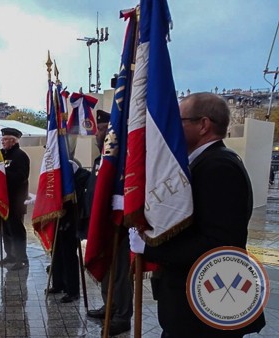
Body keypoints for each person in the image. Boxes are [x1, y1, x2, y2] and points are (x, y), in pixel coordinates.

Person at [129, 92, 266, 337]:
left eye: (179, 121)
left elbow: (217, 245)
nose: (173, 128)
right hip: (192, 306)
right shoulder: (204, 163)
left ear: (203, 125)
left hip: (204, 309)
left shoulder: (219, 167)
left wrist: (150, 249)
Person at [85, 110, 133, 336]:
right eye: (99, 129)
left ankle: (122, 316)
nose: (100, 133)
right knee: (106, 269)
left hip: (119, 227)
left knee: (121, 273)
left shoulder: (122, 161)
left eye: (105, 129)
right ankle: (109, 305)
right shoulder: (99, 160)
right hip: (102, 224)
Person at [48, 160, 91, 303]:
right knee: (56, 252)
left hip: (71, 217)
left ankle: (72, 291)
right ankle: (58, 283)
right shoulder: (53, 166)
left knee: (69, 255)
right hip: (56, 215)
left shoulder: (71, 165)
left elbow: (86, 182)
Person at [0, 128, 30, 271]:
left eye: (5, 139)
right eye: (2, 139)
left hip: (15, 199)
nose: (2, 142)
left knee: (17, 229)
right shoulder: (2, 155)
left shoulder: (20, 156)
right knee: (6, 229)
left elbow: (21, 176)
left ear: (13, 140)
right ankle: (10, 255)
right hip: (3, 199)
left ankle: (21, 258)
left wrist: (3, 174)